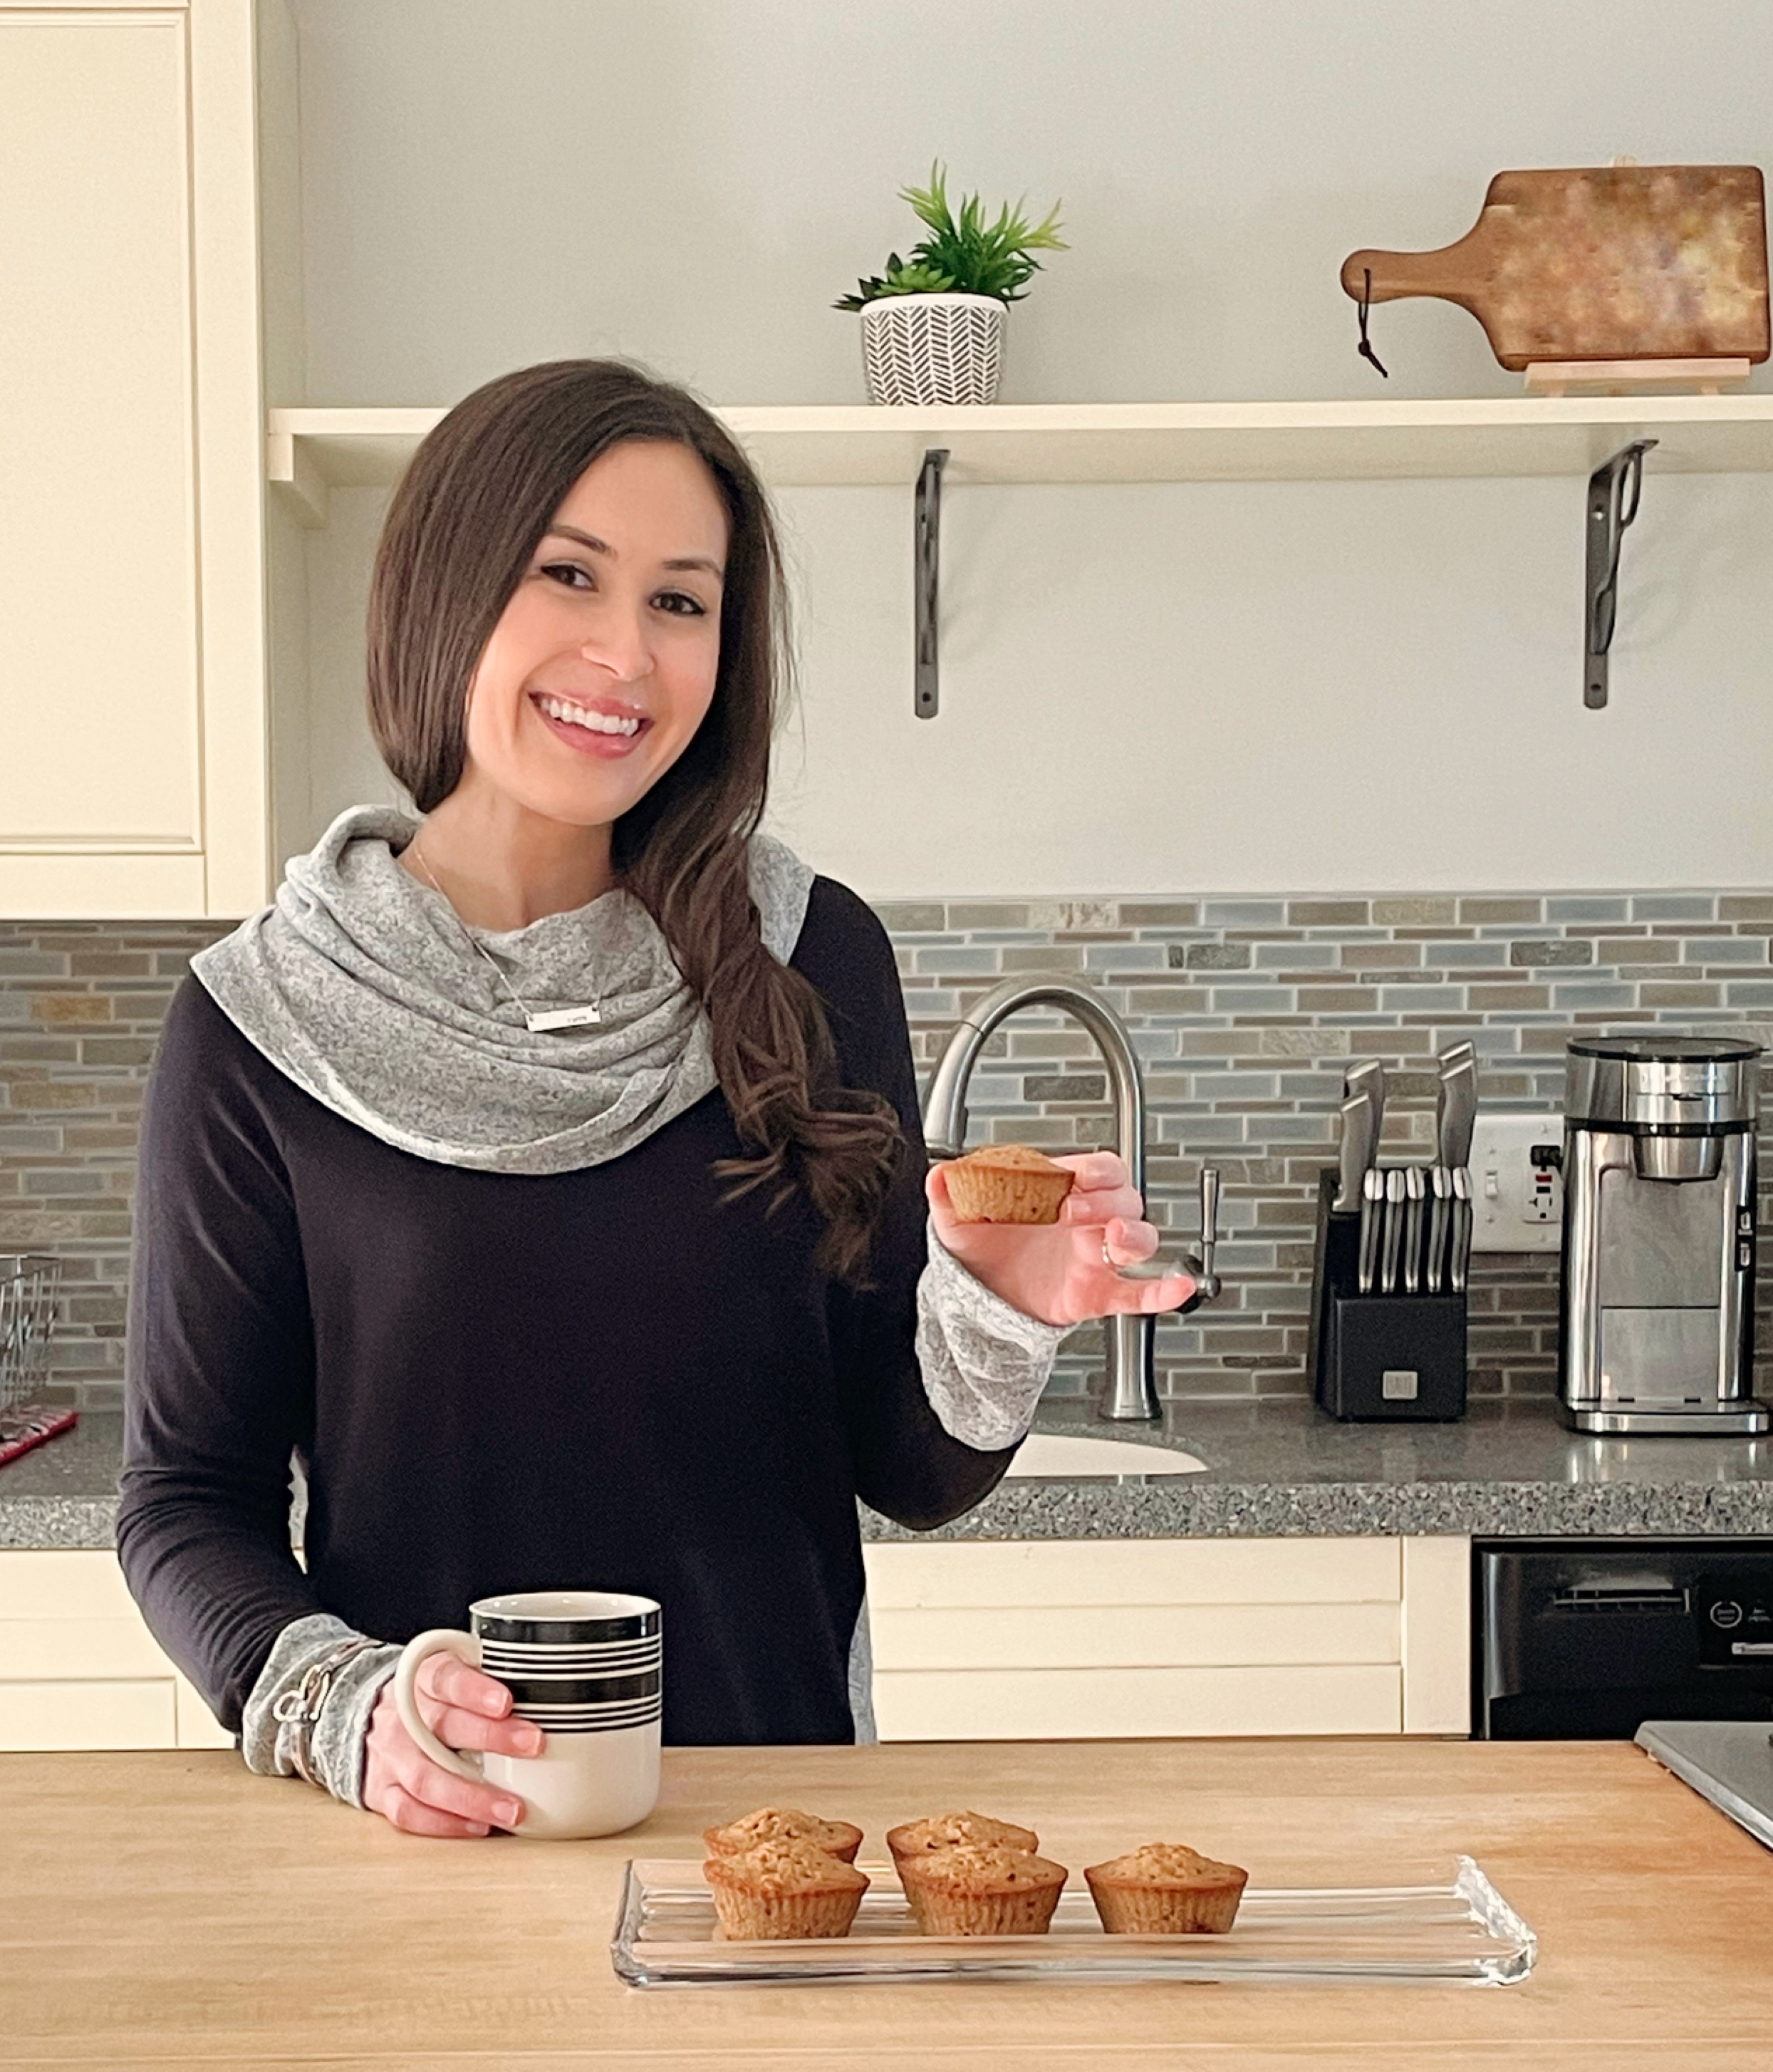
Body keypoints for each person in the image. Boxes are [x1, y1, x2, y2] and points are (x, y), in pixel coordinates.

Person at [117, 358, 1190, 1838]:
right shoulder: (261, 1024)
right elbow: (185, 1499)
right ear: (446, 587)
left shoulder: (812, 957)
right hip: (434, 1841)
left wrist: (994, 1308)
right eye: (571, 575)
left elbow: (907, 1469)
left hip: (776, 1847)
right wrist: (349, 1711)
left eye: (681, 601)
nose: (626, 654)